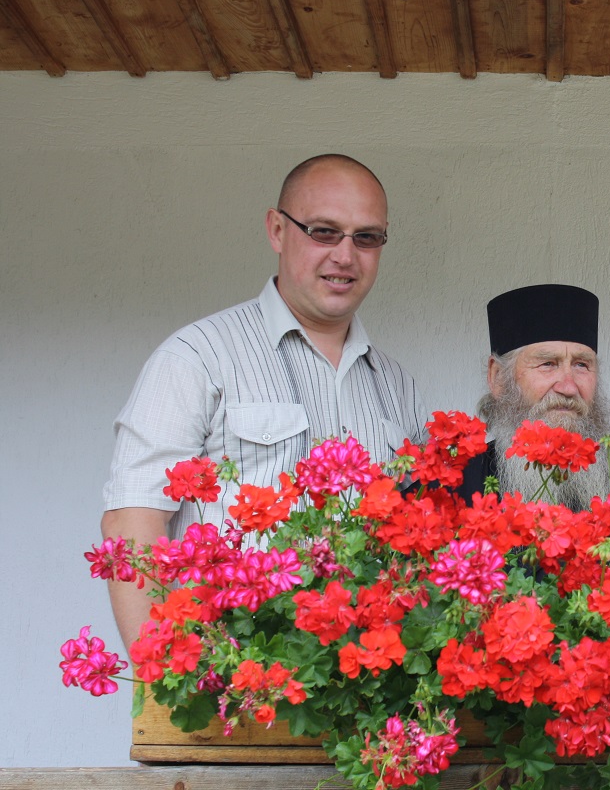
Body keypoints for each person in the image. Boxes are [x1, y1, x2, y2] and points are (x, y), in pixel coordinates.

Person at [101, 154, 425, 652]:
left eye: (366, 237)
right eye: (323, 231)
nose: (345, 255)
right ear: (276, 230)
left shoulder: (394, 383)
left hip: (363, 684)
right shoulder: (198, 357)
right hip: (233, 684)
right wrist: (165, 681)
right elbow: (132, 524)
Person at [457, 284, 610, 523]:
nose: (568, 387)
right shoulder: (450, 494)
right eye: (547, 363)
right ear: (498, 377)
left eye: (581, 365)